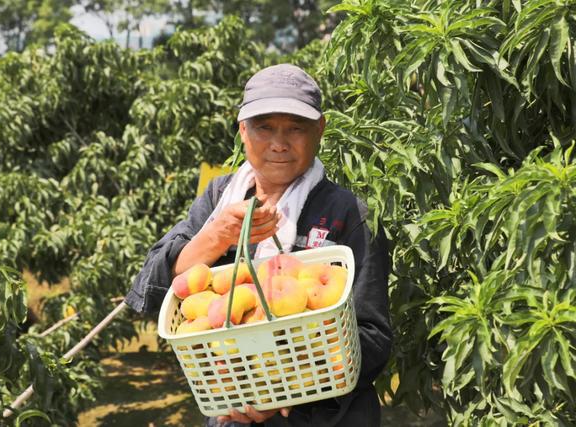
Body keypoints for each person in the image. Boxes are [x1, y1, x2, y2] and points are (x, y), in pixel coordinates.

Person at [125, 64, 392, 426]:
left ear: (320, 129)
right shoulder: (220, 199)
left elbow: (372, 339)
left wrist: (280, 389)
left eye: (295, 128)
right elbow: (152, 289)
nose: (279, 143)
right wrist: (217, 236)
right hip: (230, 413)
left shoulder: (347, 214)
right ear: (243, 131)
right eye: (264, 127)